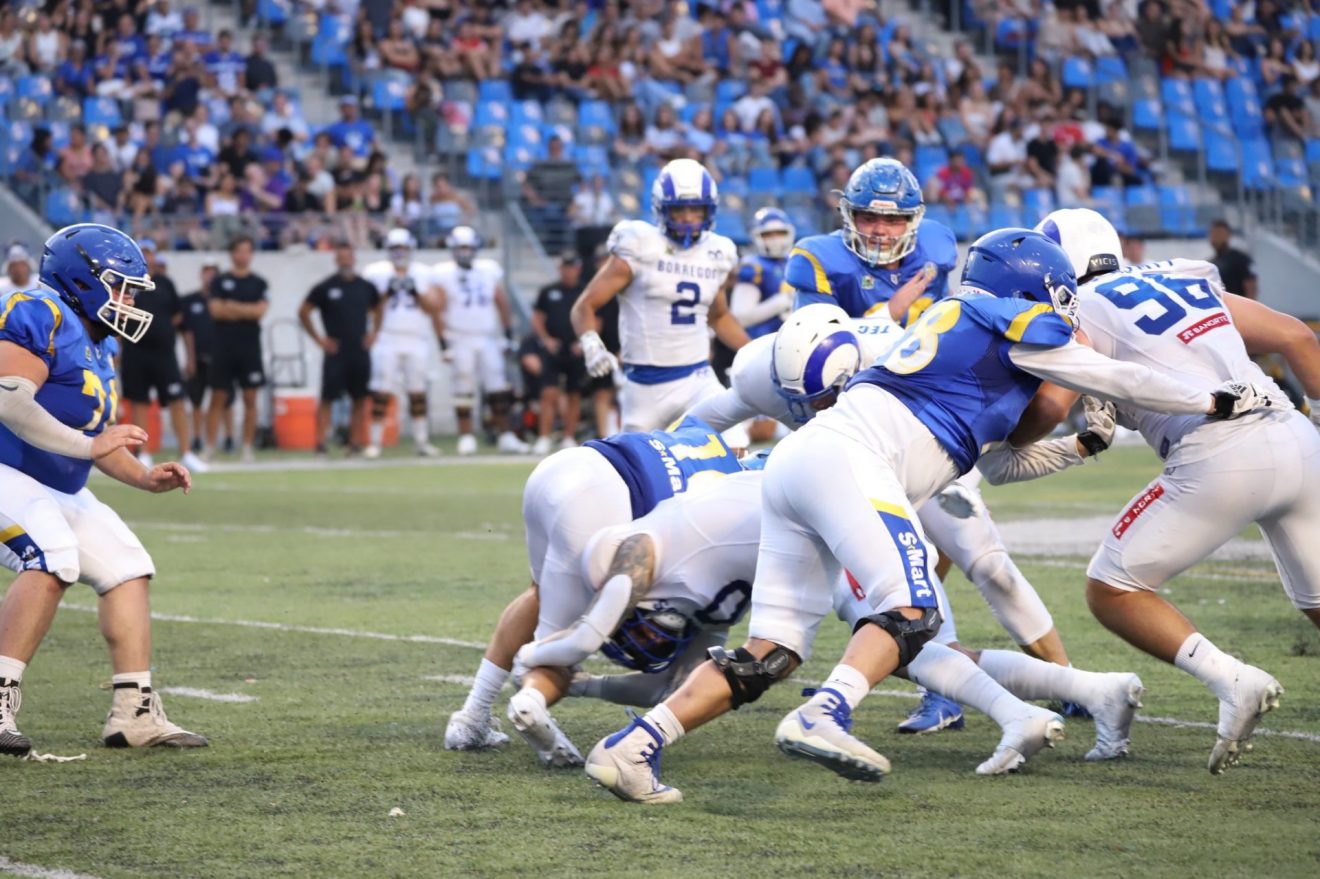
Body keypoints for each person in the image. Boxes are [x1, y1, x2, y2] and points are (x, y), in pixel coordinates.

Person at [583, 229, 1272, 803]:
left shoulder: (959, 328)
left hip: (802, 462)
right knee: (913, 611)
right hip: (853, 461)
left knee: (770, 653)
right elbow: (1120, 377)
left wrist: (1081, 444)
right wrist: (1212, 399)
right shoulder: (1013, 321)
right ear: (1032, 290)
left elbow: (1001, 462)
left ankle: (634, 747)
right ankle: (827, 711)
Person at [1040, 208, 1320, 773]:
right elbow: (1297, 335)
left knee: (1111, 587)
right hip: (1294, 434)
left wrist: (1005, 437)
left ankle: (1231, 680)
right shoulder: (1180, 276)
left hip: (1217, 453)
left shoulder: (1079, 306)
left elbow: (1050, 405)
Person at [0, 223, 206, 756]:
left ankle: (133, 713)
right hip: (4, 469)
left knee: (127, 566)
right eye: (121, 286)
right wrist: (90, 447)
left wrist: (144, 477)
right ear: (81, 279)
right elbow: (9, 402)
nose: (129, 300)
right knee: (51, 555)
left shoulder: (99, 340)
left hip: (52, 483)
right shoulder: (36, 310)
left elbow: (98, 440)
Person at [444, 416, 744, 752]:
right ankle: (530, 702)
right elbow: (676, 680)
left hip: (563, 466)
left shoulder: (705, 437)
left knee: (539, 592)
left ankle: (473, 716)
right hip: (607, 502)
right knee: (559, 648)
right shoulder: (741, 512)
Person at [570, 159, 750, 433]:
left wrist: (754, 352)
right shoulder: (639, 245)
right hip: (643, 387)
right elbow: (584, 306)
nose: (688, 217)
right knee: (638, 460)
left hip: (697, 379)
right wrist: (590, 342)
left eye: (696, 209)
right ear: (661, 208)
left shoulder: (718, 252)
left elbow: (719, 317)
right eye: (679, 209)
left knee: (734, 443)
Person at [787, 158, 957, 326]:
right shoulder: (824, 259)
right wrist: (889, 314)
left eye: (892, 220)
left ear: (912, 222)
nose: (880, 230)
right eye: (868, 219)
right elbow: (814, 339)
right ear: (850, 217)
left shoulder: (933, 247)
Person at [432, 226, 528, 455]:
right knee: (463, 388)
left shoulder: (488, 269)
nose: (464, 252)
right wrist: (444, 345)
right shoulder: (443, 273)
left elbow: (501, 302)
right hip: (459, 337)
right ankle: (466, 436)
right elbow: (438, 310)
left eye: (468, 248)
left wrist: (507, 335)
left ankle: (506, 436)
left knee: (498, 388)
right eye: (460, 248)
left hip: (487, 337)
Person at [118, 240, 205, 473]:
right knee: (139, 402)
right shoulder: (126, 283)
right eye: (142, 253)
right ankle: (144, 452)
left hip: (164, 353)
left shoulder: (165, 283)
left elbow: (179, 317)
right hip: (135, 351)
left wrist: (164, 330)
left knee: (177, 400)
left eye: (149, 253)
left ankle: (186, 451)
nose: (146, 257)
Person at [361, 228, 443, 458]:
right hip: (387, 338)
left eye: (403, 248)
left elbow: (434, 307)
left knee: (418, 391)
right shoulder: (375, 272)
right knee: (381, 390)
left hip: (416, 338)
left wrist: (415, 291)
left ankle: (421, 441)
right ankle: (375, 442)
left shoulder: (423, 273)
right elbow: (368, 307)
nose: (399, 253)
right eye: (395, 248)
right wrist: (387, 292)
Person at [300, 241, 383, 456]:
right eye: (342, 257)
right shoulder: (326, 287)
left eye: (349, 256)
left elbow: (379, 308)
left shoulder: (365, 286)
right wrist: (319, 340)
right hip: (336, 350)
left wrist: (374, 333)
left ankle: (354, 442)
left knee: (359, 397)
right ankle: (320, 443)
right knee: (328, 397)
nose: (346, 261)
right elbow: (304, 311)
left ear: (354, 259)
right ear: (336, 260)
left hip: (359, 349)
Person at [205, 236, 268, 463]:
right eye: (239, 251)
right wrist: (246, 310)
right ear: (232, 253)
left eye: (247, 251)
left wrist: (232, 307)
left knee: (250, 397)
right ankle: (210, 447)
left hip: (250, 347)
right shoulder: (220, 281)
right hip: (224, 346)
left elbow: (260, 312)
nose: (243, 255)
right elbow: (216, 311)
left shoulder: (259, 283)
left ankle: (247, 447)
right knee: (218, 396)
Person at [531, 254, 587, 456]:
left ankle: (569, 436)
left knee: (574, 393)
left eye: (572, 267)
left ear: (578, 269)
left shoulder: (585, 291)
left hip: (576, 348)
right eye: (566, 267)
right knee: (548, 393)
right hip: (554, 348)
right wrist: (546, 340)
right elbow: (537, 317)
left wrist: (584, 341)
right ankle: (544, 437)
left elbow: (594, 317)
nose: (569, 271)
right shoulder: (548, 291)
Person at [179, 261, 225, 455]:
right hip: (198, 357)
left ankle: (226, 438)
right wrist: (190, 358)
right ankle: (197, 437)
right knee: (196, 400)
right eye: (207, 272)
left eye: (213, 272)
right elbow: (186, 332)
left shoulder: (224, 299)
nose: (210, 276)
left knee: (223, 399)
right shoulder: (190, 300)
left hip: (221, 357)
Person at [1207, 219, 1258, 299]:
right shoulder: (1210, 264)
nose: (1216, 238)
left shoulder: (1241, 259)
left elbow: (1251, 287)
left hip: (1238, 305)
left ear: (1228, 235)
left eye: (1219, 234)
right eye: (1213, 234)